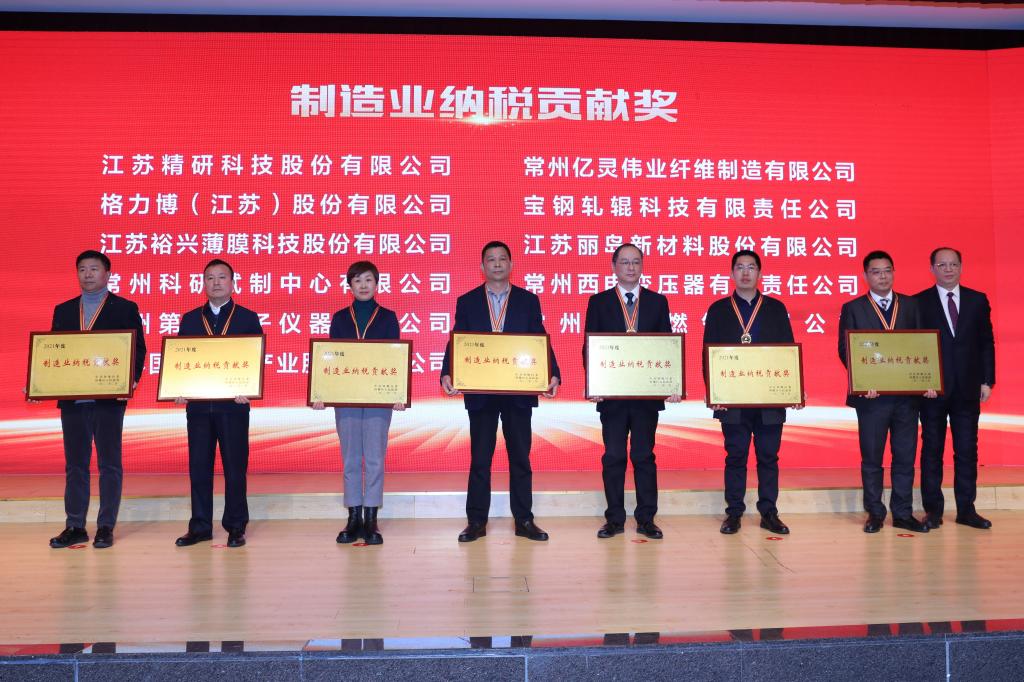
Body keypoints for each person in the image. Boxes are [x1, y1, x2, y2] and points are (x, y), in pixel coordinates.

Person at [440, 240, 561, 543]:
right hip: (481, 392)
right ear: (482, 267)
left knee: (520, 457)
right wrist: (447, 372)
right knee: (480, 458)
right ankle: (476, 521)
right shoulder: (468, 301)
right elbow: (457, 339)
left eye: (502, 259)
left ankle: (524, 520)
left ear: (511, 264)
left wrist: (552, 373)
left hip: (518, 392)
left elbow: (539, 338)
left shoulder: (528, 300)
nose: (497, 264)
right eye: (491, 259)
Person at [47, 250, 146, 549]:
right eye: (82, 269)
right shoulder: (64, 310)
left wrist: (129, 379)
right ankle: (75, 525)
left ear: (107, 274)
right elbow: (51, 351)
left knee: (109, 464)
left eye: (94, 269)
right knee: (75, 465)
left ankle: (105, 526)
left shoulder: (124, 308)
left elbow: (137, 349)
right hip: (73, 401)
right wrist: (42, 383)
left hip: (108, 399)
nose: (87, 274)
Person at [584, 243, 680, 540]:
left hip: (645, 398)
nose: (630, 267)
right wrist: (594, 384)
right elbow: (590, 346)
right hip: (612, 397)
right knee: (613, 456)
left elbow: (667, 346)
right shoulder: (599, 302)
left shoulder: (657, 302)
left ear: (642, 266)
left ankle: (646, 519)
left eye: (635, 262)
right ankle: (614, 519)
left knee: (643, 456)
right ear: (614, 266)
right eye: (624, 262)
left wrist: (671, 384)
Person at [838, 250, 935, 534]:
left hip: (907, 398)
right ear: (865, 275)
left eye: (887, 271)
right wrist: (862, 380)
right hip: (872, 399)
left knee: (905, 457)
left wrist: (928, 380)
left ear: (893, 272)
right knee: (872, 459)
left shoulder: (911, 305)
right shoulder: (853, 308)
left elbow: (924, 346)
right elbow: (845, 349)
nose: (882, 276)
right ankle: (875, 513)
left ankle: (903, 513)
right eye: (876, 272)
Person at [702, 250, 797, 536]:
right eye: (740, 267)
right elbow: (708, 355)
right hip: (733, 399)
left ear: (760, 273)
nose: (746, 272)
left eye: (751, 267)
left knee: (769, 456)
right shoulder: (718, 309)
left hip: (769, 399)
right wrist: (714, 394)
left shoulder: (776, 308)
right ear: (732, 273)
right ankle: (734, 513)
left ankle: (769, 512)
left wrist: (793, 390)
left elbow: (787, 353)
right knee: (736, 456)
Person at [312, 261, 405, 545]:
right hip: (347, 398)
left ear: (377, 284)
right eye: (357, 281)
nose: (363, 285)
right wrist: (322, 392)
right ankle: (353, 517)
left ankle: (371, 518)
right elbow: (330, 359)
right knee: (351, 458)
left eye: (368, 280)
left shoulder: (388, 318)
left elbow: (395, 358)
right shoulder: (340, 318)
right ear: (349, 286)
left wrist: (398, 394)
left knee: (375, 458)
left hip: (378, 399)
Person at [174, 259, 263, 548]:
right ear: (203, 283)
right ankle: (200, 526)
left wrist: (248, 389)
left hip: (233, 407)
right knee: (199, 467)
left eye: (222, 277)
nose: (216, 282)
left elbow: (254, 359)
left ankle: (236, 526)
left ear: (232, 283)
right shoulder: (190, 319)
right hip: (199, 408)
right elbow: (181, 362)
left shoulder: (247, 318)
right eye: (210, 277)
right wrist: (179, 388)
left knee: (235, 468)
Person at [914, 247, 995, 530]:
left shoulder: (977, 300)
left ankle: (966, 510)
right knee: (932, 451)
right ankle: (933, 511)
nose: (948, 269)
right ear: (932, 269)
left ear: (961, 267)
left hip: (968, 388)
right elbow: (915, 346)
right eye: (942, 265)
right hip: (932, 390)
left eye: (953, 264)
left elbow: (986, 342)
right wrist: (920, 383)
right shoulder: (919, 302)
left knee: (967, 451)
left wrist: (987, 380)